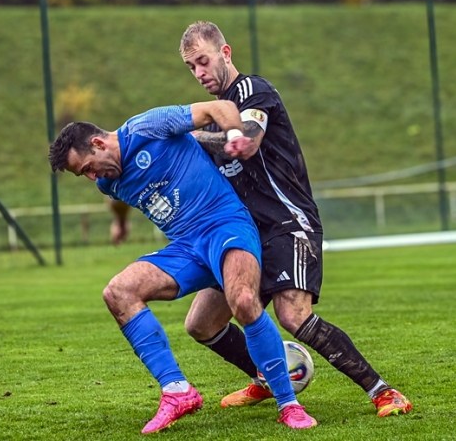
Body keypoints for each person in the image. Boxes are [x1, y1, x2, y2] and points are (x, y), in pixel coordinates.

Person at [176, 21, 413, 417]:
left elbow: (247, 142)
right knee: (202, 323)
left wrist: (192, 137)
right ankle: (267, 378)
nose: (199, 74)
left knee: (292, 315)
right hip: (246, 234)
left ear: (225, 52)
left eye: (203, 61)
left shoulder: (253, 91)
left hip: (288, 222)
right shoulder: (212, 118)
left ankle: (383, 391)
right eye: (191, 68)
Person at [48, 101, 318, 434]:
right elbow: (114, 196)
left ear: (98, 143)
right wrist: (120, 225)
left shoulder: (146, 127)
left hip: (226, 226)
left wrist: (234, 133)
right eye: (83, 175)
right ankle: (177, 392)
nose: (91, 177)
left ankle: (289, 404)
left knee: (244, 302)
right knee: (118, 292)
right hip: (186, 248)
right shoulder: (108, 181)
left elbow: (218, 107)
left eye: (89, 167)